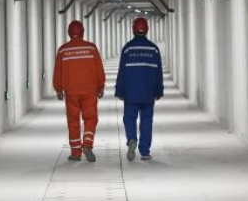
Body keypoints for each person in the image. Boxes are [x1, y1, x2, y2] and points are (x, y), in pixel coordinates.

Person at [52, 20, 106, 162]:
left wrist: (58, 89)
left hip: (71, 92)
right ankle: (87, 144)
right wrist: (100, 86)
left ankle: (75, 153)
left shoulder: (63, 50)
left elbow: (58, 72)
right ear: (83, 31)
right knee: (91, 118)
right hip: (89, 91)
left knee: (73, 121)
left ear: (69, 32)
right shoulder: (91, 48)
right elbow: (99, 70)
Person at [115, 16, 164, 161]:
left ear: (133, 29)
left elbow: (122, 71)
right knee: (147, 120)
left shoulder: (128, 49)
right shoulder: (154, 49)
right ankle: (145, 151)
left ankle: (131, 139)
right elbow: (158, 72)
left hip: (131, 93)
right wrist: (159, 90)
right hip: (148, 93)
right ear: (147, 29)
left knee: (129, 118)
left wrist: (120, 90)